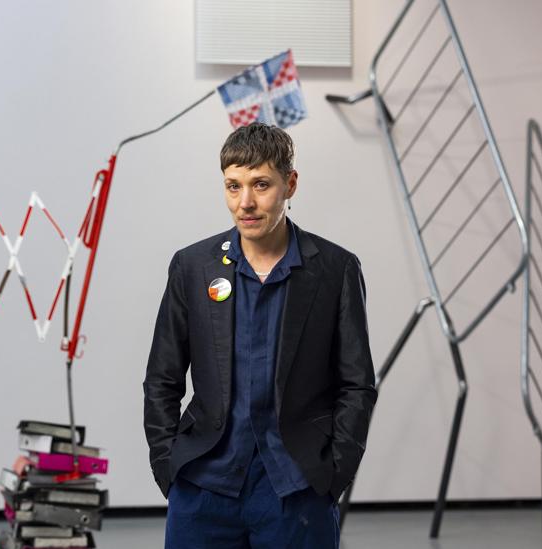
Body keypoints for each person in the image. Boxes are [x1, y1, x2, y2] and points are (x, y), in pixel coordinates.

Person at [143, 122, 377, 548]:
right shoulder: (193, 267)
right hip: (204, 486)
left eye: (261, 184)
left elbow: (357, 384)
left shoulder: (335, 269)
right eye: (233, 186)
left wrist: (333, 473)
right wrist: (168, 466)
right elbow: (162, 377)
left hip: (297, 489)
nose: (245, 203)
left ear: (290, 184)